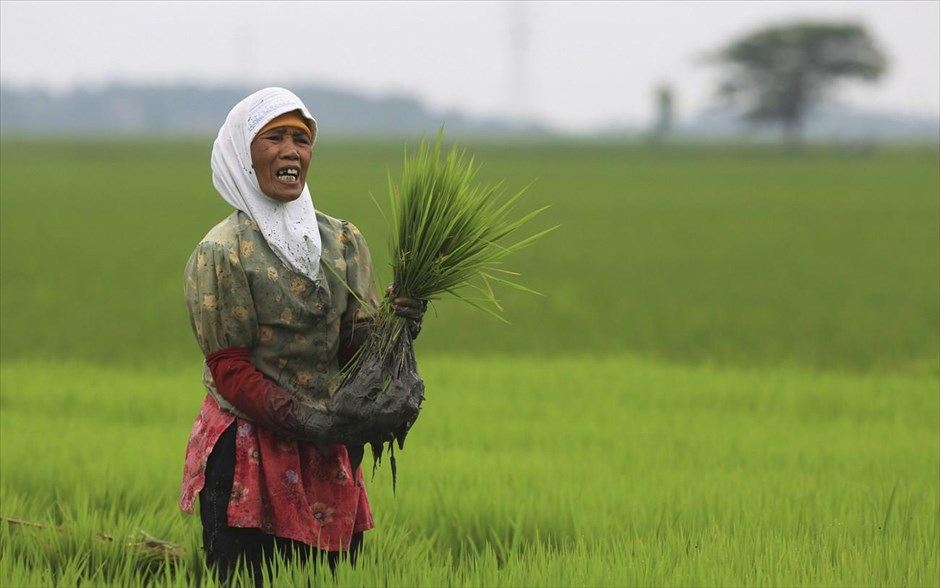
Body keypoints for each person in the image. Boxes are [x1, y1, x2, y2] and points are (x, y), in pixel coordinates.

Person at [178, 87, 424, 586]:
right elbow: (229, 368)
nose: (291, 151)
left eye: (302, 139)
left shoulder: (341, 241)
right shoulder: (223, 252)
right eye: (274, 138)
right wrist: (302, 417)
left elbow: (353, 342)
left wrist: (394, 329)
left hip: (327, 451)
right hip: (250, 453)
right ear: (242, 156)